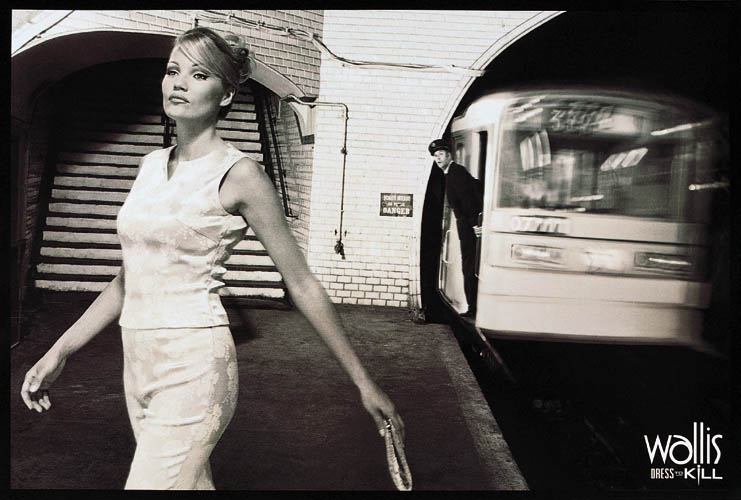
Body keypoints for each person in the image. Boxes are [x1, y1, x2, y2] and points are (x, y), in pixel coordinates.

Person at [20, 27, 404, 490]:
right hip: (137, 360)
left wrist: (363, 381)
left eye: (199, 74)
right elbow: (127, 280)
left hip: (195, 365)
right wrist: (59, 351)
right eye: (173, 70)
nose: (179, 82)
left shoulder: (241, 175)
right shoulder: (149, 165)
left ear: (225, 95)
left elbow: (300, 282)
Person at [429, 139, 483, 318]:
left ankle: (473, 308)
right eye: (435, 156)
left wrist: (475, 224)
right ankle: (473, 306)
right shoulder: (452, 172)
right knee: (468, 264)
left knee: (469, 266)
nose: (438, 158)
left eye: (440, 154)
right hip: (466, 225)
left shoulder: (455, 173)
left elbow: (467, 200)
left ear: (449, 155)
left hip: (468, 226)